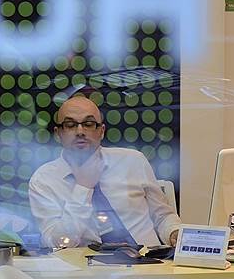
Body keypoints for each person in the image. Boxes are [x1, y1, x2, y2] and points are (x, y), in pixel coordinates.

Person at [28, 95, 181, 248]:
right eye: (70, 125)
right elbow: (59, 243)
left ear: (101, 131)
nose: (80, 131)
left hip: (149, 259)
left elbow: (162, 216)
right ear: (58, 133)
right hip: (88, 263)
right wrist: (83, 188)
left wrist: (173, 232)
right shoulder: (43, 180)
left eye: (88, 124)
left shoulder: (133, 161)